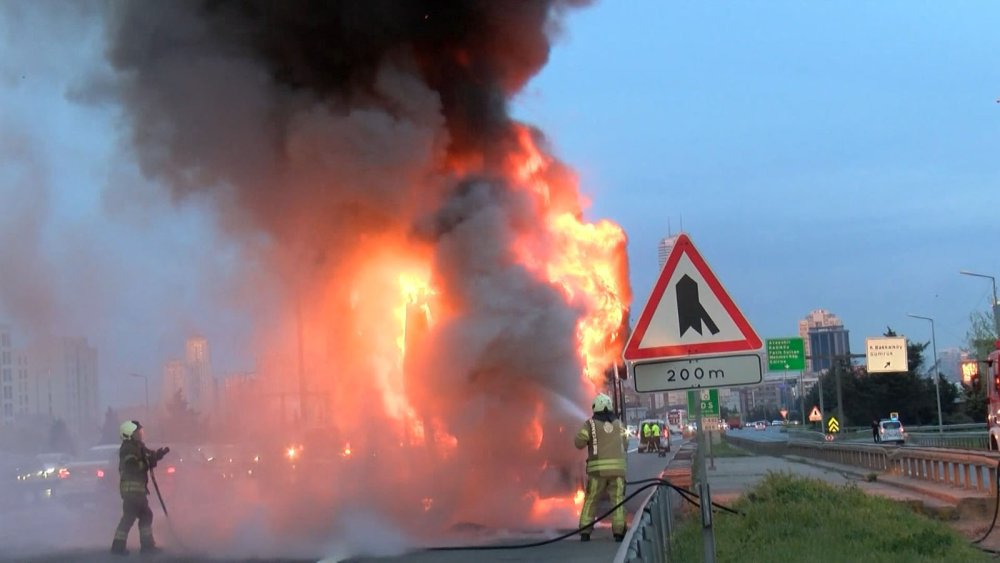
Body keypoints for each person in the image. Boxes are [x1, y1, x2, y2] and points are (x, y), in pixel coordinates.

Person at [111, 420, 169, 556]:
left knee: (143, 516)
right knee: (131, 517)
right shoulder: (128, 448)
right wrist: (148, 463)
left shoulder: (138, 446)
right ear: (129, 434)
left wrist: (159, 455)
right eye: (137, 432)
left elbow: (148, 456)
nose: (140, 434)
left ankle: (143, 546)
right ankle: (121, 547)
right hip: (132, 490)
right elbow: (132, 466)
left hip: (137, 491)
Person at [575, 393, 627, 543]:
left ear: (595, 407)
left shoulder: (590, 424)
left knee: (591, 500)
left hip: (598, 472)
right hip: (617, 472)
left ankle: (585, 531)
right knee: (617, 500)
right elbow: (626, 443)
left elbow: (579, 443)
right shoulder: (619, 423)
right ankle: (618, 532)